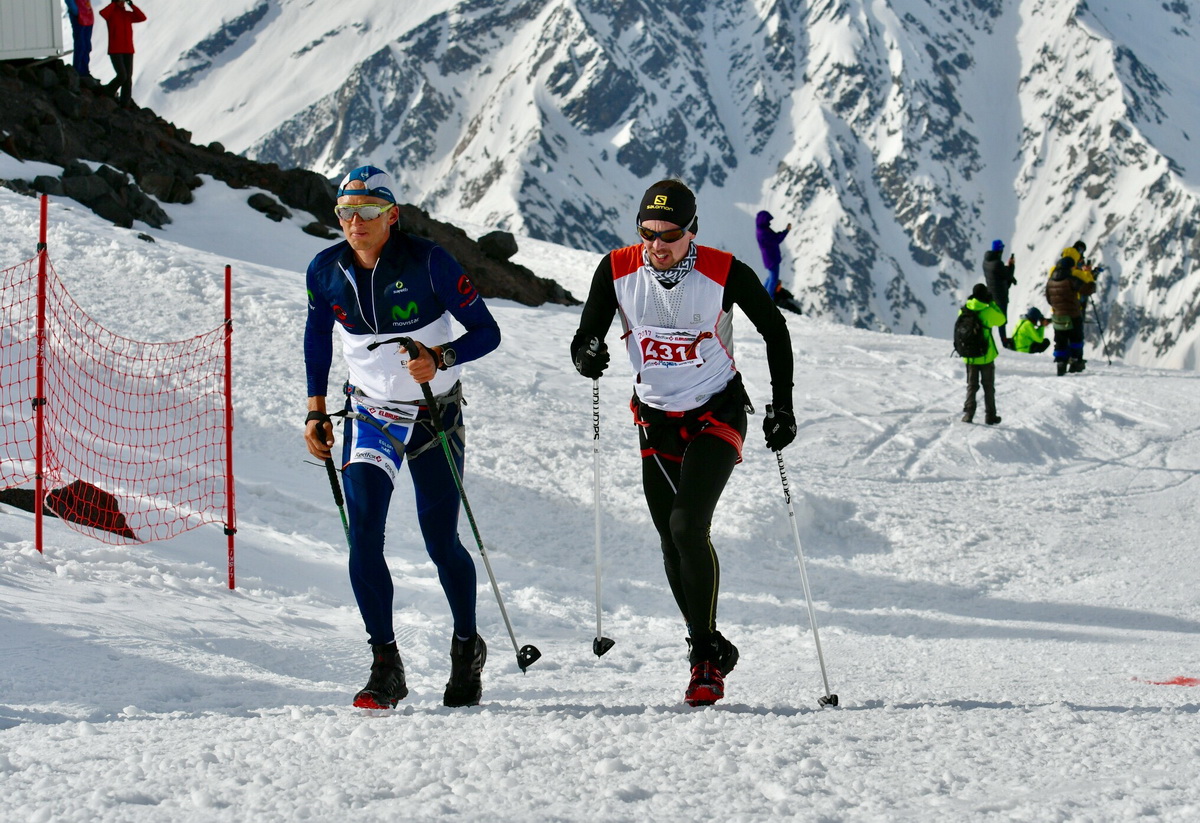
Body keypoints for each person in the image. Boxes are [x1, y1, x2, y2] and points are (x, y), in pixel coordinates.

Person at [571, 179, 795, 707]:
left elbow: (775, 330)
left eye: (669, 235)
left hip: (717, 410)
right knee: (671, 541)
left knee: (686, 524)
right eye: (647, 233)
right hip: (655, 420)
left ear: (692, 231)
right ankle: (707, 642)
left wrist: (781, 405)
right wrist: (587, 356)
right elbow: (586, 337)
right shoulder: (617, 269)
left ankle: (704, 664)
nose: (657, 245)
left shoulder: (723, 270)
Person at [304, 165, 501, 709]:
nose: (355, 221)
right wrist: (314, 409)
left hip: (434, 414)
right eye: (346, 211)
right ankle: (385, 664)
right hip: (370, 416)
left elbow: (487, 330)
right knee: (363, 532)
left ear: (392, 214)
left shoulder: (430, 261)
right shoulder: (325, 269)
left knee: (440, 540)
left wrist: (441, 357)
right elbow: (318, 333)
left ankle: (467, 647)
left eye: (369, 210)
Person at [959, 283, 1005, 425]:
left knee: (971, 385)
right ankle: (990, 416)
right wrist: (992, 303)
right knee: (988, 386)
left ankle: (969, 414)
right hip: (985, 356)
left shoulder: (964, 311)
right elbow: (1002, 319)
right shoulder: (987, 312)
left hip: (970, 356)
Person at [1045, 246, 1095, 375]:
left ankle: (1061, 363)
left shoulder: (1050, 281)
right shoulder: (1071, 280)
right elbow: (1087, 289)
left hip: (1057, 316)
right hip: (1073, 314)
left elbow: (1049, 299)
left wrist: (1057, 308)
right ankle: (1075, 361)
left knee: (1060, 340)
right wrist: (1090, 277)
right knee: (1076, 339)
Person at [98, 0, 146, 107]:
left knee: (128, 78)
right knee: (122, 75)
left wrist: (131, 4)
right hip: (115, 50)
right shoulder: (111, 14)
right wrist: (114, 4)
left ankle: (125, 104)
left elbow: (142, 17)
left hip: (128, 50)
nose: (122, 2)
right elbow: (103, 13)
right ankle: (107, 92)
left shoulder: (127, 14)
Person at [981, 239, 1017, 348]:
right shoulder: (998, 264)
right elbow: (1008, 275)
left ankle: (987, 338)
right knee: (1002, 319)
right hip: (1000, 295)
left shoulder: (986, 262)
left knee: (991, 318)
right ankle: (1004, 341)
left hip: (990, 295)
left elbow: (1000, 273)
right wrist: (1011, 265)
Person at [64, 0, 96, 83]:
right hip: (80, 16)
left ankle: (84, 70)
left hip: (87, 15)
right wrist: (77, 12)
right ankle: (78, 71)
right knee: (81, 45)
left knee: (86, 46)